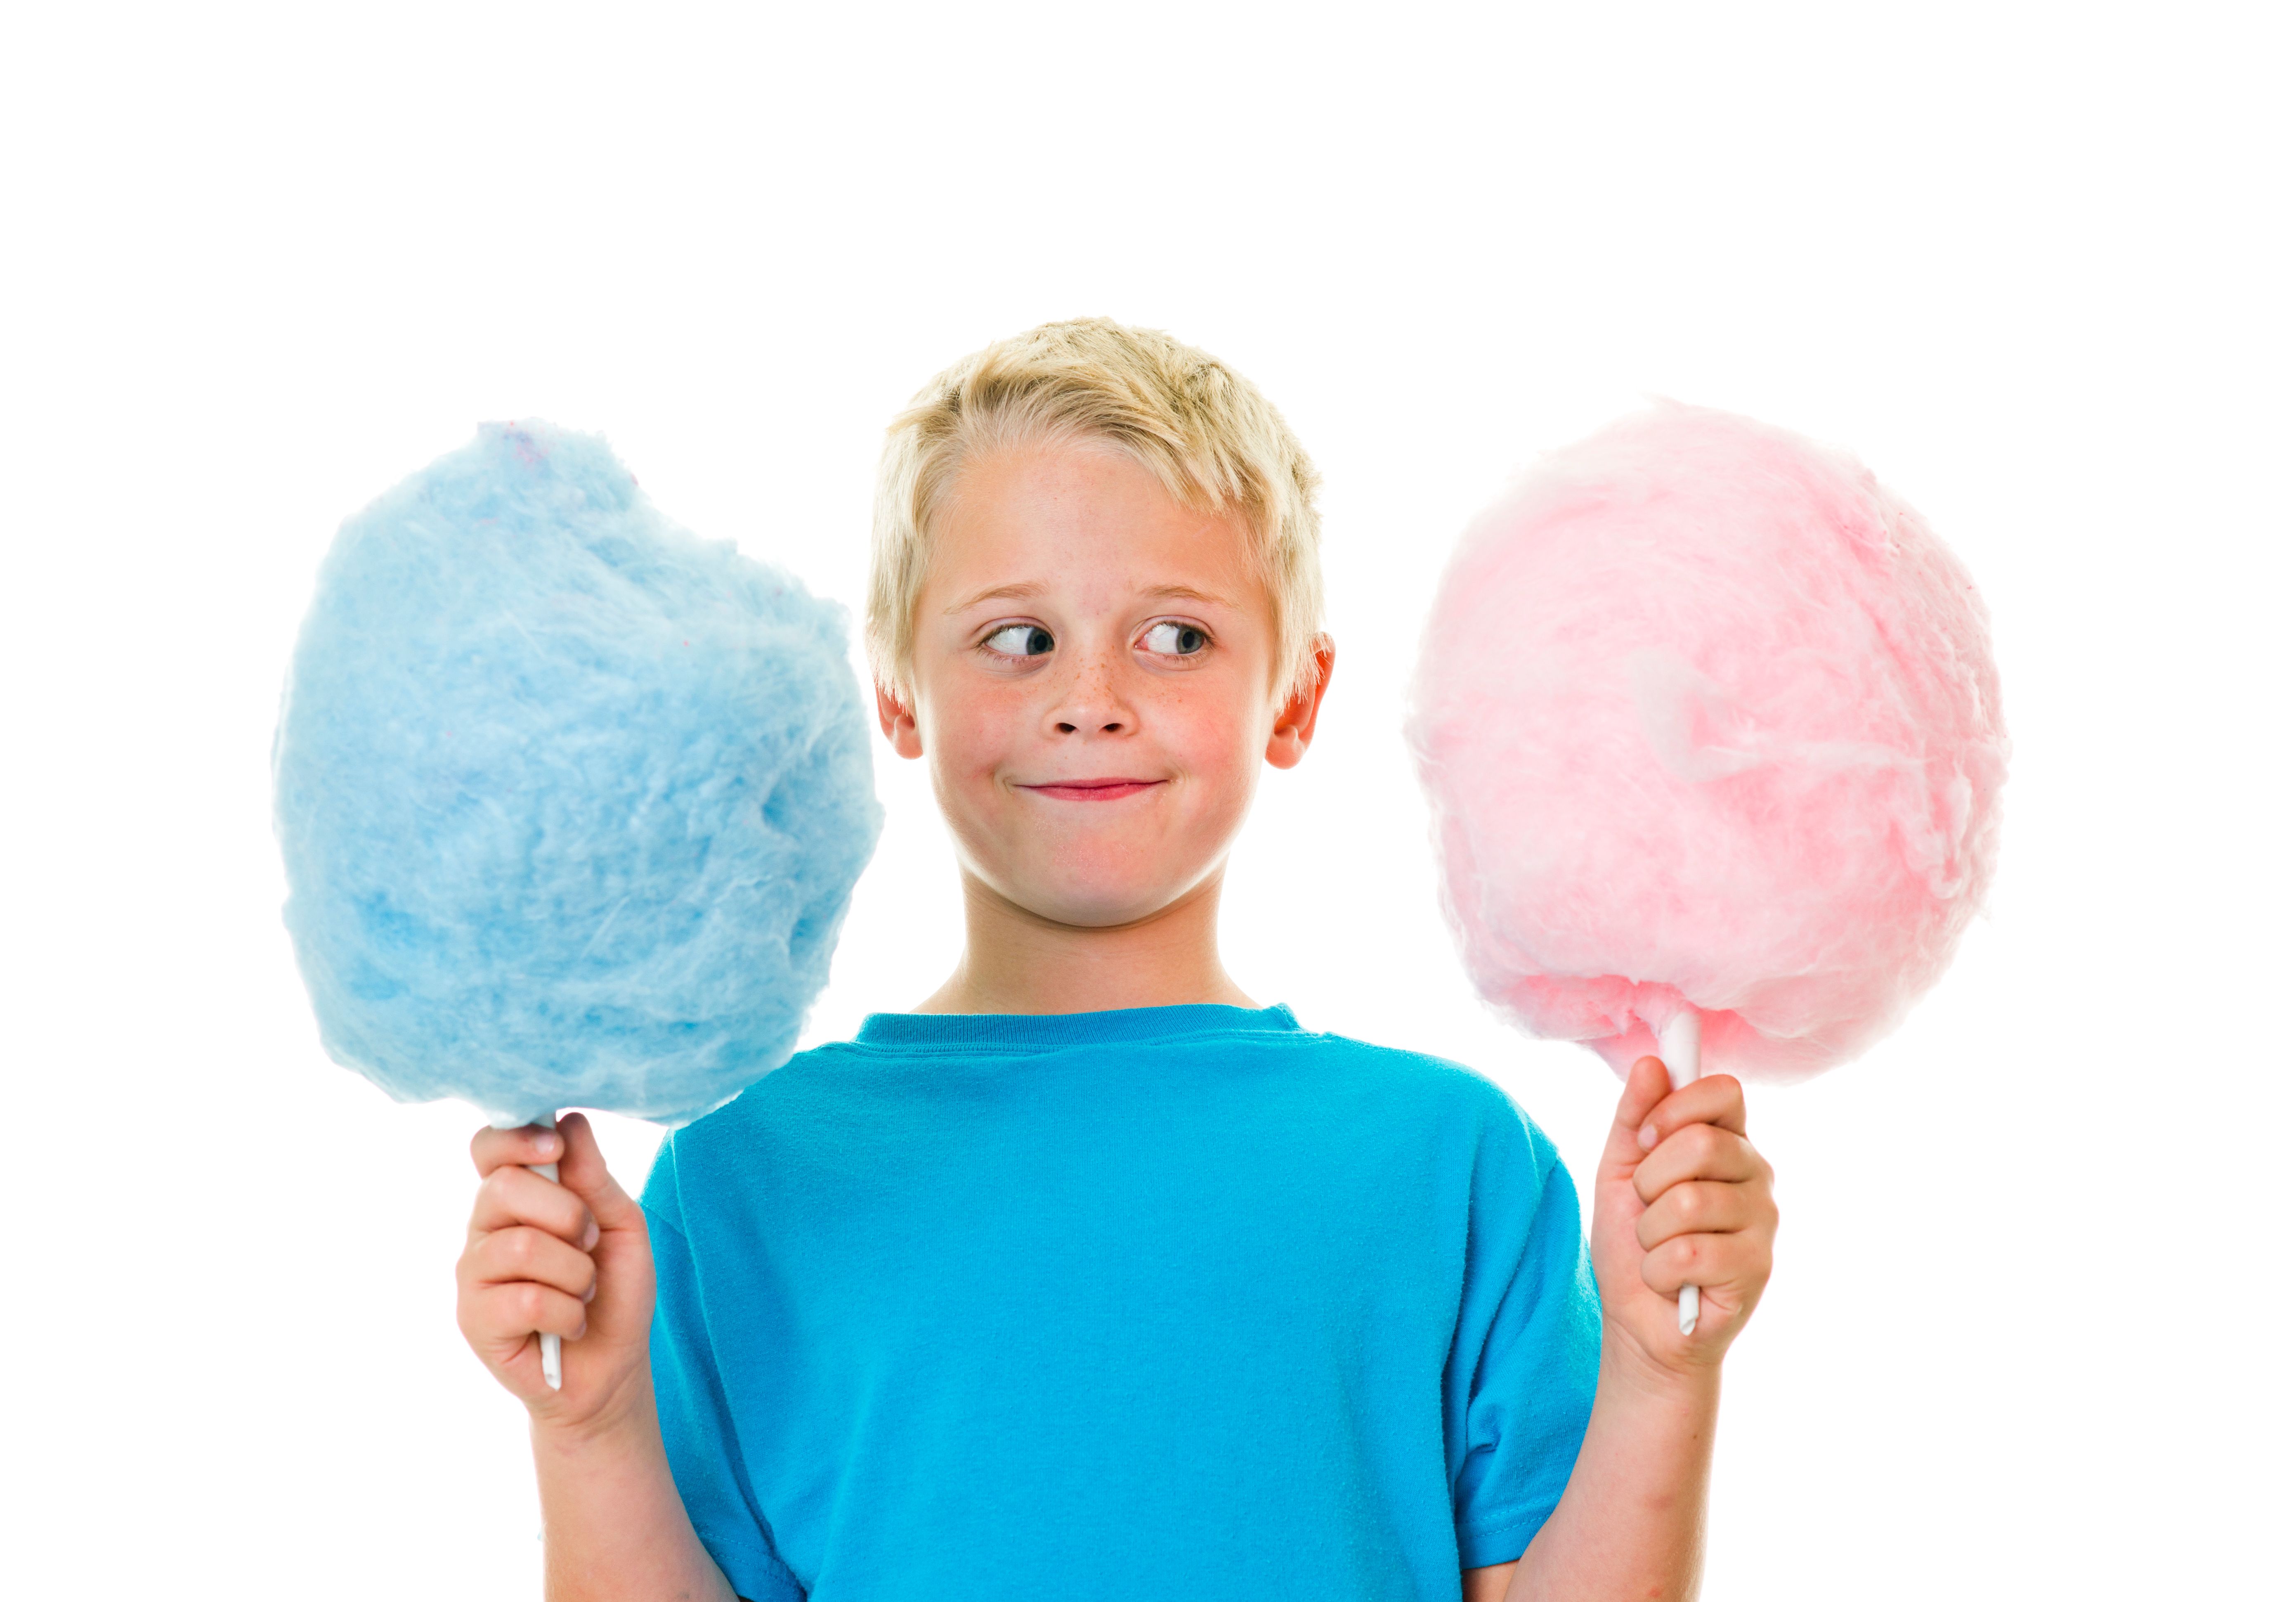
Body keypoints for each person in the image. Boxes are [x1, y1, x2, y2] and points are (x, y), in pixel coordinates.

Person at [454, 317, 1778, 1601]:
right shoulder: (739, 1177)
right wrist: (591, 1428)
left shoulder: (1452, 1162)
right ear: (898, 692)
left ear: (1298, 695)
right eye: (1017, 638)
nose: (1090, 695)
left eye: (1175, 636)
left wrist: (1665, 1374)